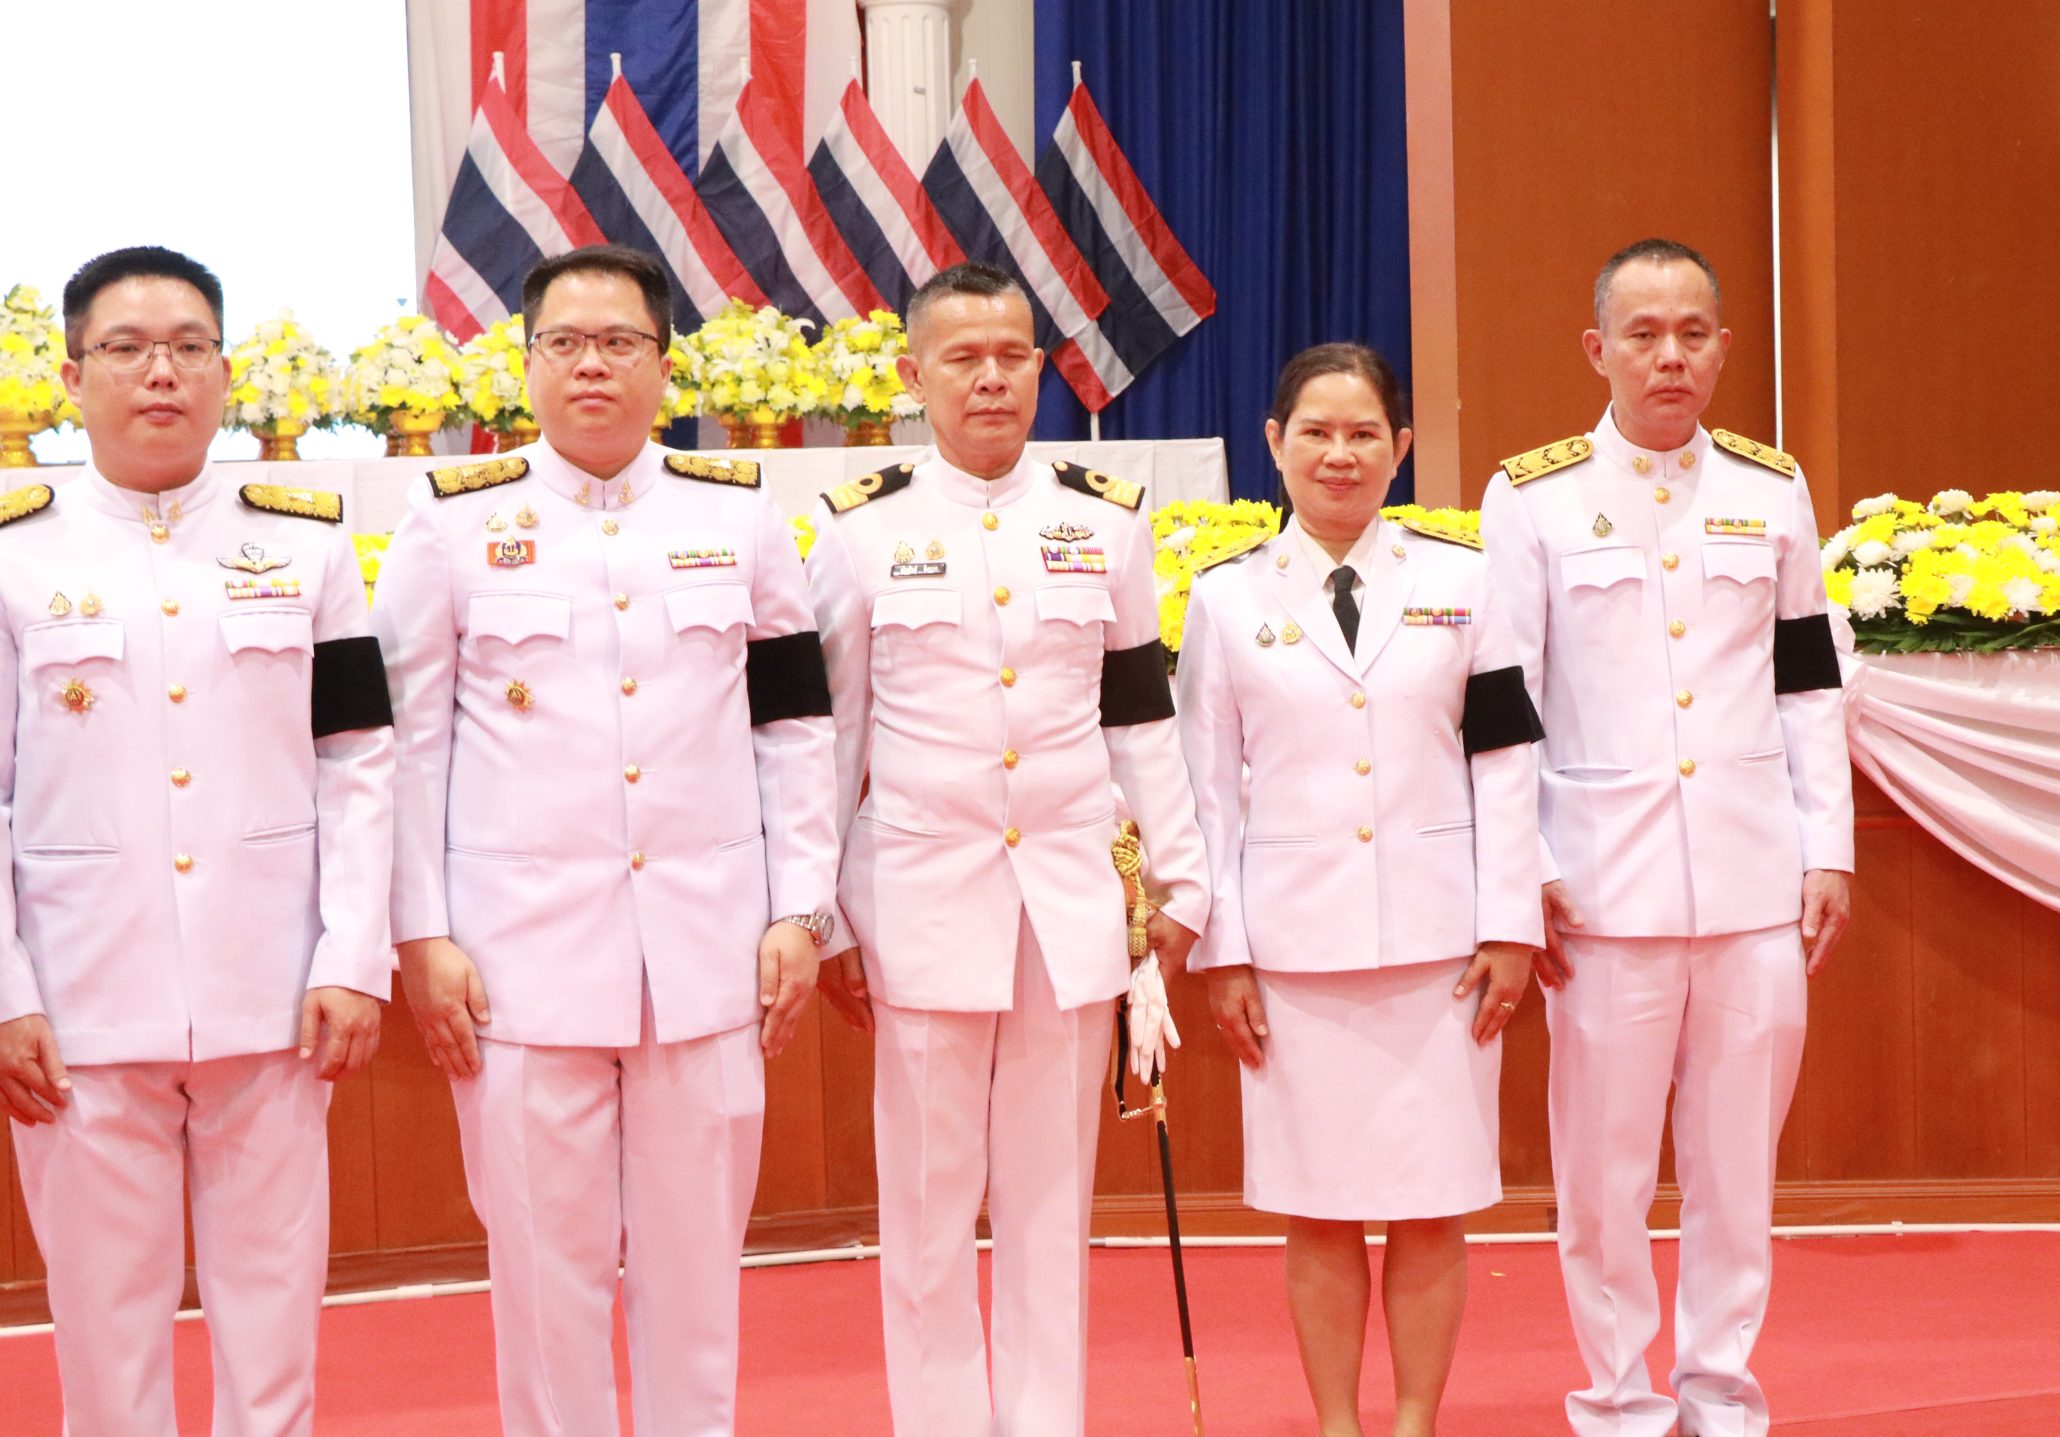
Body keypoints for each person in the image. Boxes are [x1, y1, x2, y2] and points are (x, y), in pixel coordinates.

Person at [371, 243, 838, 1436]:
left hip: (707, 958)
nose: (592, 365)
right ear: (525, 364)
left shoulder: (737, 516)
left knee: (698, 1287)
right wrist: (419, 934)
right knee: (544, 1284)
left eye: (619, 342)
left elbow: (794, 727)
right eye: (565, 343)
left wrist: (801, 908)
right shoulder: (450, 525)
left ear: (663, 365)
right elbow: (406, 748)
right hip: (517, 968)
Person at [804, 260, 1211, 1437]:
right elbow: (832, 739)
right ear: (913, 374)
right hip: (920, 906)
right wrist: (823, 913)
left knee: (1049, 1210)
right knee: (928, 1212)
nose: (990, 379)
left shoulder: (1104, 519)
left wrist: (1178, 881)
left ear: (1040, 368)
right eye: (963, 358)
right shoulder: (860, 530)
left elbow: (1139, 713)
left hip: (1069, 906)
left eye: (1011, 357)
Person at [0, 246, 392, 1436]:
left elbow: (358, 758)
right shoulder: (14, 550)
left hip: (272, 993)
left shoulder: (309, 542)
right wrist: (6, 990)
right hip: (78, 1002)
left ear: (225, 373)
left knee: (274, 1327)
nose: (160, 372)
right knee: (105, 1337)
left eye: (187, 348)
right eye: (125, 350)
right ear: (72, 379)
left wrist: (351, 955)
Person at [1478, 237, 1854, 1437]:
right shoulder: (1531, 496)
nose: (1669, 357)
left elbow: (1808, 677)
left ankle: (1722, 1394)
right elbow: (1502, 704)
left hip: (1752, 881)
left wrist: (1828, 843)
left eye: (1692, 334)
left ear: (1724, 348)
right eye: (1642, 335)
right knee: (1604, 1175)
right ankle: (1618, 1400)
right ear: (1598, 350)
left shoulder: (1770, 488)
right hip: (1600, 890)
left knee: (1738, 1169)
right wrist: (1524, 869)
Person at [1177, 343, 1545, 1437]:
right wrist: (1224, 951)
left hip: (1443, 953)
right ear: (1274, 443)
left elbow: (1505, 760)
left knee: (1433, 1207)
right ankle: (1338, 1423)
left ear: (1401, 446)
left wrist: (1511, 923)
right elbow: (1206, 791)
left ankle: (1415, 1420)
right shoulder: (1225, 598)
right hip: (1293, 958)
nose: (1340, 455)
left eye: (1364, 434)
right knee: (1320, 1210)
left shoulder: (1462, 581)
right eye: (1317, 433)